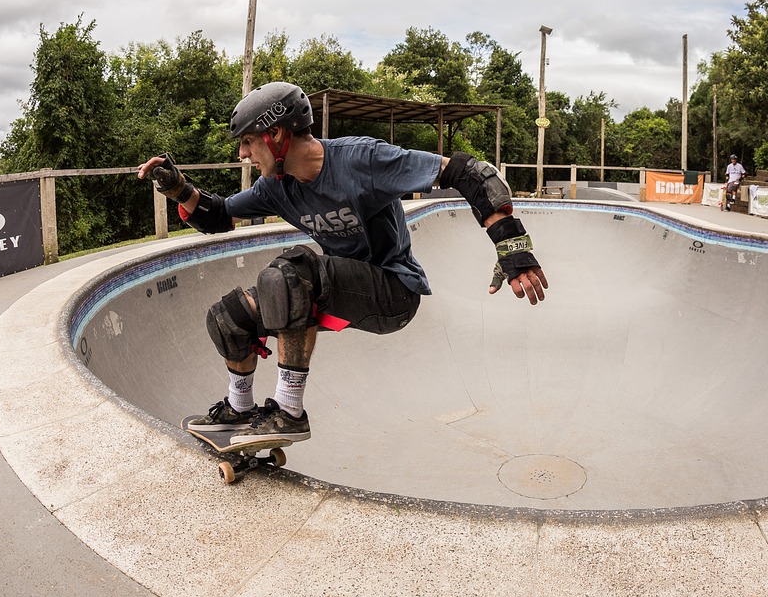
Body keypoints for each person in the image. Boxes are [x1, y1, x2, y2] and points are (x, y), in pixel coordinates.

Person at [137, 81, 549, 450]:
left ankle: (289, 411)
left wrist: (511, 248)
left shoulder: (361, 160)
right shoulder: (275, 187)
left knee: (292, 270)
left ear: (276, 134)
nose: (243, 154)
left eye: (248, 142)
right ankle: (240, 408)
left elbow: (470, 173)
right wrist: (177, 187)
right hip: (335, 287)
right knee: (229, 318)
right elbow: (219, 215)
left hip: (393, 292)